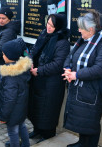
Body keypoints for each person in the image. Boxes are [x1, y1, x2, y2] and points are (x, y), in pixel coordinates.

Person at [62, 11, 102, 147]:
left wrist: (76, 75)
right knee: (82, 120)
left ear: (91, 29)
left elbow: (99, 69)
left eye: (81, 28)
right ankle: (82, 142)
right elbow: (70, 56)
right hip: (80, 89)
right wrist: (67, 68)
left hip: (92, 91)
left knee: (91, 122)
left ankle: (89, 145)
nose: (78, 30)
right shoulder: (83, 41)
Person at [28, 14, 70, 143]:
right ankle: (37, 129)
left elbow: (58, 64)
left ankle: (48, 133)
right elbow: (34, 50)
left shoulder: (62, 42)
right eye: (48, 24)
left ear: (58, 26)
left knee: (48, 109)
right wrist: (30, 61)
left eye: (52, 25)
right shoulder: (43, 35)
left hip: (51, 83)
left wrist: (39, 70)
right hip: (37, 80)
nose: (48, 27)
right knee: (36, 106)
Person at [0, 38, 32, 147]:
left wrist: (3, 117)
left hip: (12, 112)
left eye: (3, 54)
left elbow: (9, 99)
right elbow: (1, 77)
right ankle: (26, 144)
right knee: (21, 126)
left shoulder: (10, 76)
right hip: (20, 108)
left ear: (9, 56)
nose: (2, 56)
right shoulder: (19, 68)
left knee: (13, 132)